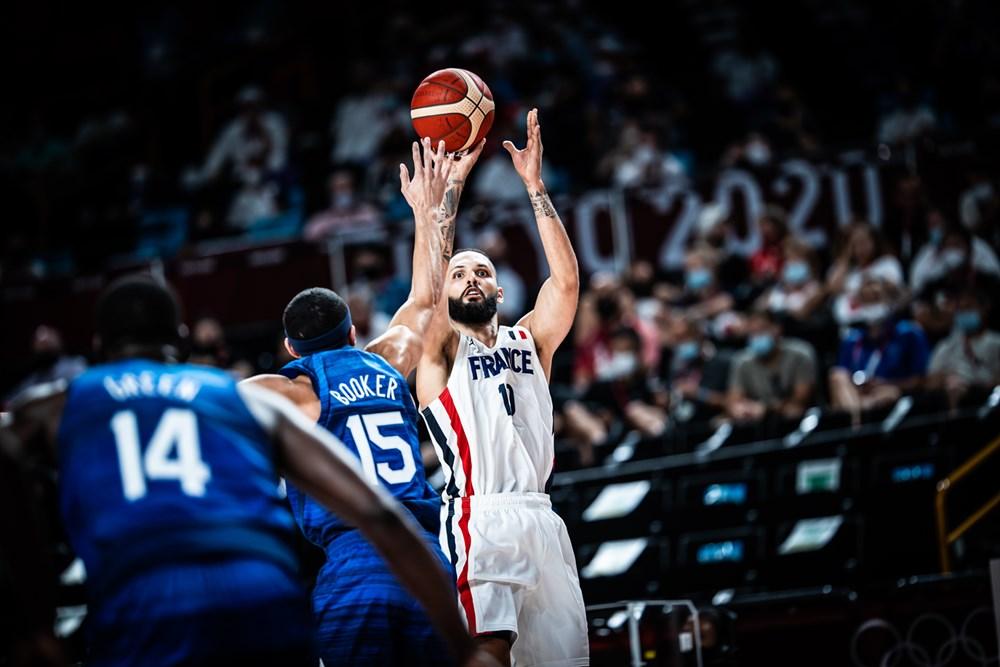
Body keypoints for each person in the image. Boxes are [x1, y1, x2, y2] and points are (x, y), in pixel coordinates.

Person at [5, 274, 495, 667]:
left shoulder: (59, 404)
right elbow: (380, 513)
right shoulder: (233, 396)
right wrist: (466, 649)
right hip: (263, 590)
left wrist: (33, 616)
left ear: (97, 345)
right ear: (179, 340)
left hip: (149, 590)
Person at [242, 137, 486, 666]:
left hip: (356, 561)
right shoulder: (388, 357)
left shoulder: (290, 391)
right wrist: (431, 208)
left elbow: (209, 400)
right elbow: (426, 297)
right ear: (354, 331)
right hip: (428, 558)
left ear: (290, 349)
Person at [416, 109, 589, 666]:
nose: (470, 280)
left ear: (501, 289)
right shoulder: (441, 349)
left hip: (541, 514)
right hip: (478, 515)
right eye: (462, 274)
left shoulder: (530, 341)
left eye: (482, 272)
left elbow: (565, 282)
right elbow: (433, 279)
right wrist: (453, 189)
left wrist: (535, 187)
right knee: (489, 650)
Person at [726, 309, 818, 423]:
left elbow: (800, 400)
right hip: (756, 420)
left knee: (793, 412)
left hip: (799, 418)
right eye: (752, 333)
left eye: (762, 330)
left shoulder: (800, 354)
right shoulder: (742, 361)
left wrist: (766, 409)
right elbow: (734, 401)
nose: (757, 337)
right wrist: (741, 409)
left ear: (777, 329)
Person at [927, 287, 1000, 408]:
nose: (964, 313)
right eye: (960, 309)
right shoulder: (946, 345)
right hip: (952, 391)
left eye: (969, 308)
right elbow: (930, 383)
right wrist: (945, 378)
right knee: (954, 386)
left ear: (984, 309)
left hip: (986, 396)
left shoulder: (996, 342)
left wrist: (976, 386)